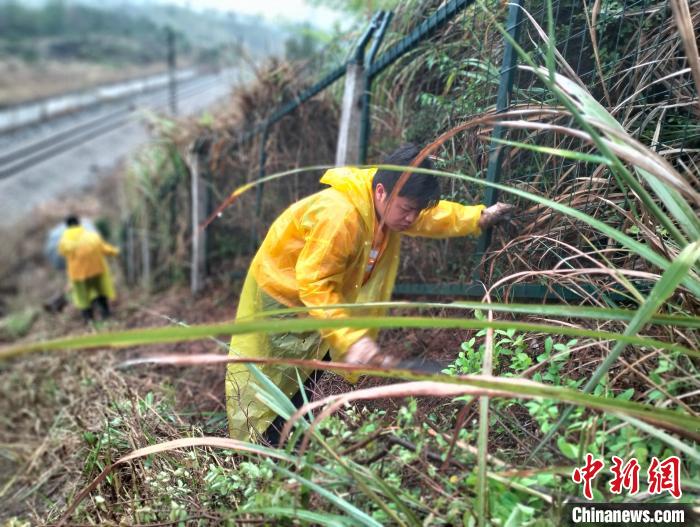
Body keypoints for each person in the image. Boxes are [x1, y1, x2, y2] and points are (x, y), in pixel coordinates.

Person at [226, 143, 514, 442]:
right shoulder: (340, 217)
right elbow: (314, 283)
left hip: (319, 298)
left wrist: (477, 217)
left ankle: (292, 436)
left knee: (312, 368)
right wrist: (351, 339)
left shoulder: (389, 206)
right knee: (282, 375)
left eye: (416, 210)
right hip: (283, 292)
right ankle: (265, 445)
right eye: (406, 210)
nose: (411, 219)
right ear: (380, 192)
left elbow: (429, 215)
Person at [58, 215, 120, 322]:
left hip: (78, 274)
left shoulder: (64, 241)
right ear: (79, 223)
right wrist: (115, 251)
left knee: (83, 297)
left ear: (67, 226)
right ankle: (106, 314)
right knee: (101, 292)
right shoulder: (92, 236)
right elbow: (104, 249)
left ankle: (89, 319)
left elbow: (62, 253)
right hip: (96, 270)